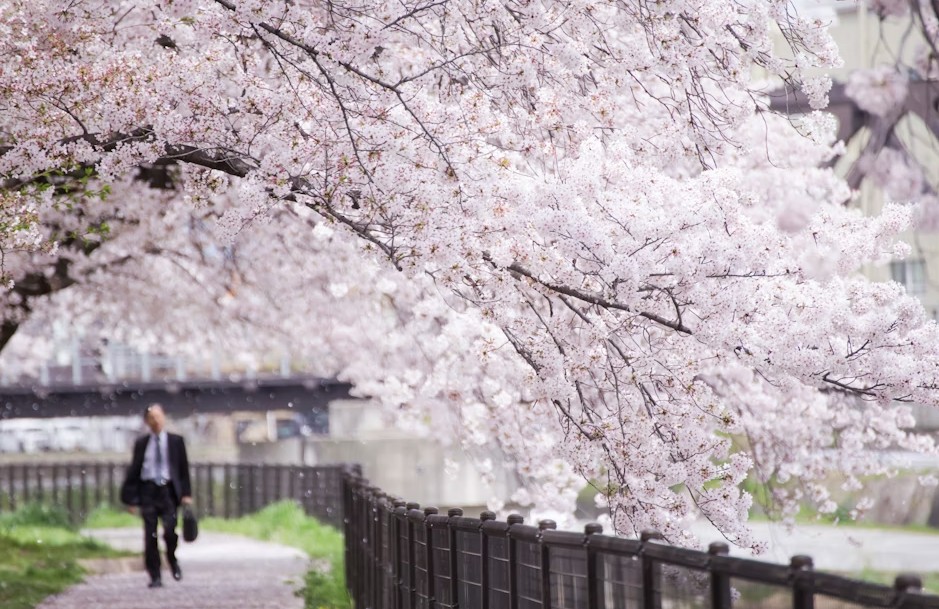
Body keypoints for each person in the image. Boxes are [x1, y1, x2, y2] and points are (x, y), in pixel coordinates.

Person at [120, 403, 193, 588]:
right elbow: (134, 470)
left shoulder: (176, 441)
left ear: (164, 417)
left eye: (158, 417)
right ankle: (155, 575)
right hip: (148, 491)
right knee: (150, 534)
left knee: (170, 530)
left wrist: (186, 494)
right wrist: (131, 499)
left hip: (168, 491)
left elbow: (183, 469)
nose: (156, 421)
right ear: (147, 421)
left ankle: (172, 558)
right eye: (152, 418)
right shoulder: (142, 443)